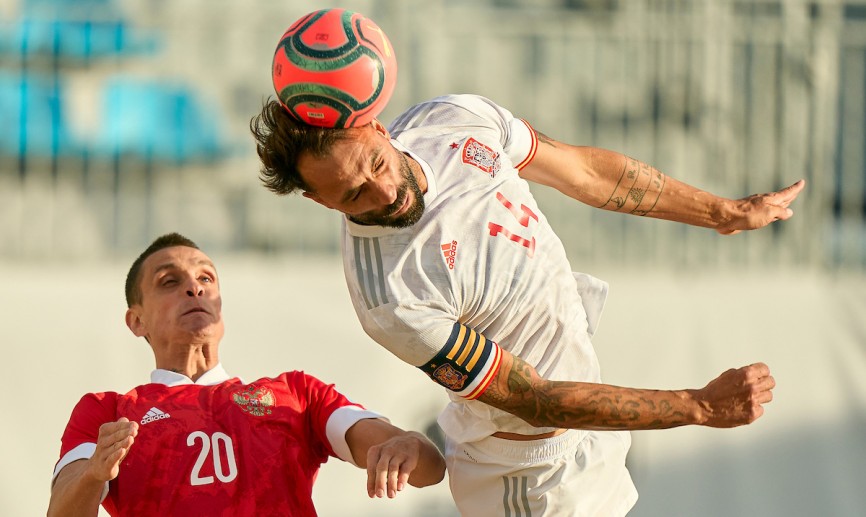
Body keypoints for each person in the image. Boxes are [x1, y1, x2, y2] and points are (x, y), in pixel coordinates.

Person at [250, 94, 802, 516]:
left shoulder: (452, 119)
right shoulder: (389, 296)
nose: (383, 192)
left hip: (587, 438)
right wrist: (698, 406)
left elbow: (586, 173)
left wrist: (722, 213)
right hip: (530, 482)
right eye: (353, 195)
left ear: (376, 127)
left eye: (376, 163)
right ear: (318, 200)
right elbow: (536, 400)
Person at [48, 233, 445, 517]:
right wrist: (93, 474)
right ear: (137, 321)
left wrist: (410, 444)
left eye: (206, 278)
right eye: (169, 281)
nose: (194, 288)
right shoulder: (108, 413)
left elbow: (429, 469)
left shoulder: (299, 394)